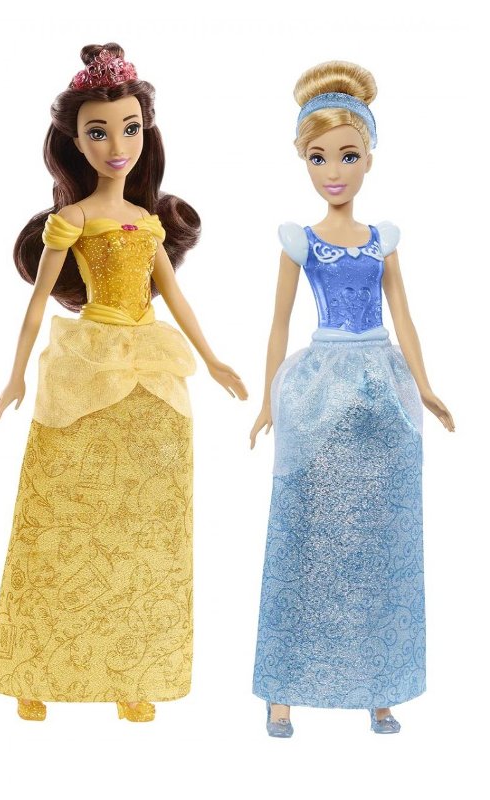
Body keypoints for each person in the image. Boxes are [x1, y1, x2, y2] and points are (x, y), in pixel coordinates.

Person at [0, 44, 247, 722]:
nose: (116, 145)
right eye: (98, 132)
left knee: (146, 526)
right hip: (87, 364)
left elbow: (175, 299)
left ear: (145, 132)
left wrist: (214, 360)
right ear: (75, 143)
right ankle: (35, 672)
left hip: (151, 372)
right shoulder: (71, 221)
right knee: (62, 519)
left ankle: (135, 673)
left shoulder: (148, 221)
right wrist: (15, 376)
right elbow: (36, 305)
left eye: (129, 128)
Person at [250, 60, 454, 737]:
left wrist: (425, 388)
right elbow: (277, 324)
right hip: (318, 392)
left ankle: (379, 684)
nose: (332, 171)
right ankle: (282, 690)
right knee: (304, 532)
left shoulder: (382, 240)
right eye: (318, 157)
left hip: (381, 393)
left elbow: (404, 318)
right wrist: (268, 401)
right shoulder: (299, 242)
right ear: (302, 160)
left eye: (346, 155)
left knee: (380, 539)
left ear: (368, 157)